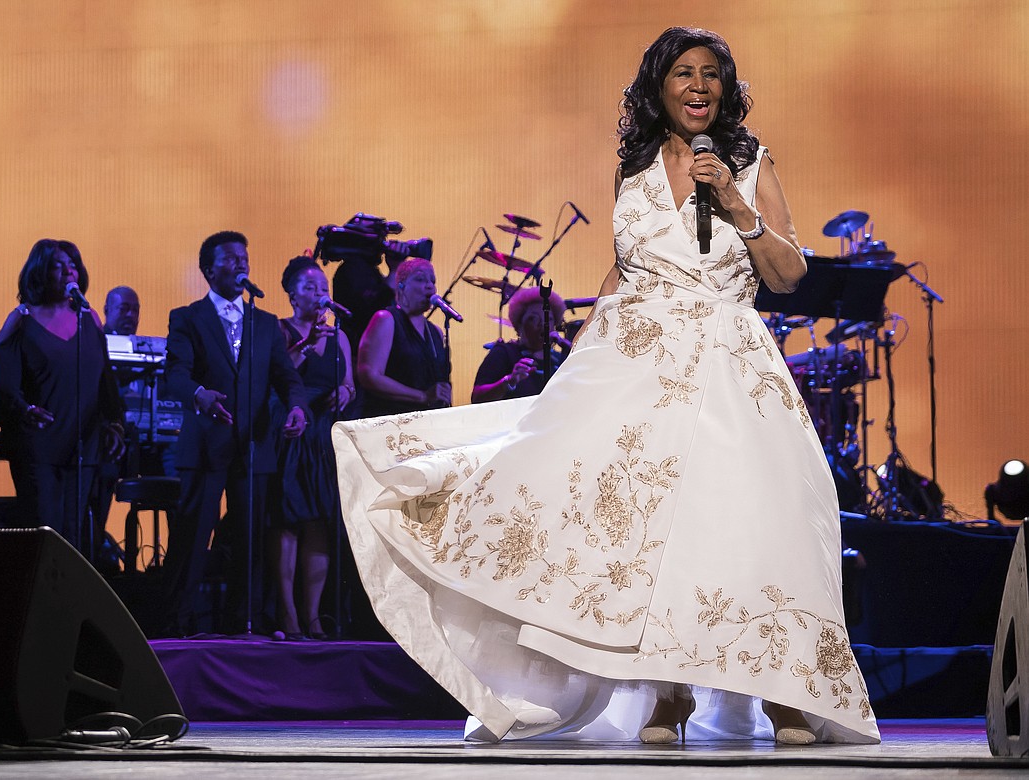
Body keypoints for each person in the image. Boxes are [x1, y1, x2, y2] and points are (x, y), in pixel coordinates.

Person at [331, 26, 879, 746]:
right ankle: (666, 691)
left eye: (712, 74)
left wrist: (739, 209)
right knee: (640, 530)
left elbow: (787, 273)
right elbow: (621, 273)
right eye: (684, 72)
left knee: (750, 517)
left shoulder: (749, 163)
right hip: (638, 362)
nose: (699, 86)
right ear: (660, 85)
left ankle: (778, 691)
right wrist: (574, 368)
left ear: (727, 89)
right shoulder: (633, 169)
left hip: (726, 357)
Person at [161, 230, 308, 637]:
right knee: (193, 537)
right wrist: (198, 394)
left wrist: (297, 407)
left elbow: (286, 377)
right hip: (206, 444)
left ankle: (244, 622)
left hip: (254, 445)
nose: (240, 263)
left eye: (244, 257)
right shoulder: (187, 317)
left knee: (251, 539)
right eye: (229, 259)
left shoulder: (264, 323)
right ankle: (179, 624)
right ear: (209, 270)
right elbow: (174, 374)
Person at [0, 239, 125, 556]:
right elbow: (3, 381)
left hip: (84, 444)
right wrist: (23, 409)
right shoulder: (22, 319)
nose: (68, 271)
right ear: (39, 271)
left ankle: (71, 602)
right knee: (46, 533)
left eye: (73, 264)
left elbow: (105, 380)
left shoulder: (89, 319)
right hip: (39, 444)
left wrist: (116, 423)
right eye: (58, 265)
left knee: (76, 535)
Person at [268, 256, 356, 640]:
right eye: (309, 288)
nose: (319, 294)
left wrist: (344, 391)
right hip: (291, 431)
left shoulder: (339, 337)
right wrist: (305, 345)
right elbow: (277, 374)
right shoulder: (278, 329)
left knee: (319, 522)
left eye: (323, 288)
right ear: (291, 294)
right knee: (288, 521)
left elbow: (351, 383)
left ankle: (314, 615)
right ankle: (287, 613)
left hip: (323, 435)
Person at [355, 257, 451, 417]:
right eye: (420, 279)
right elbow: (369, 375)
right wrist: (422, 396)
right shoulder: (386, 319)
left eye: (432, 281)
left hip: (428, 421)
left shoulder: (436, 333)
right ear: (401, 287)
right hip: (391, 419)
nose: (429, 285)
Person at [472, 286, 569, 403]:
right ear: (519, 326)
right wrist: (509, 381)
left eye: (549, 319)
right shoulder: (504, 353)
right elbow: (477, 397)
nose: (542, 324)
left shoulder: (560, 359)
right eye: (533, 319)